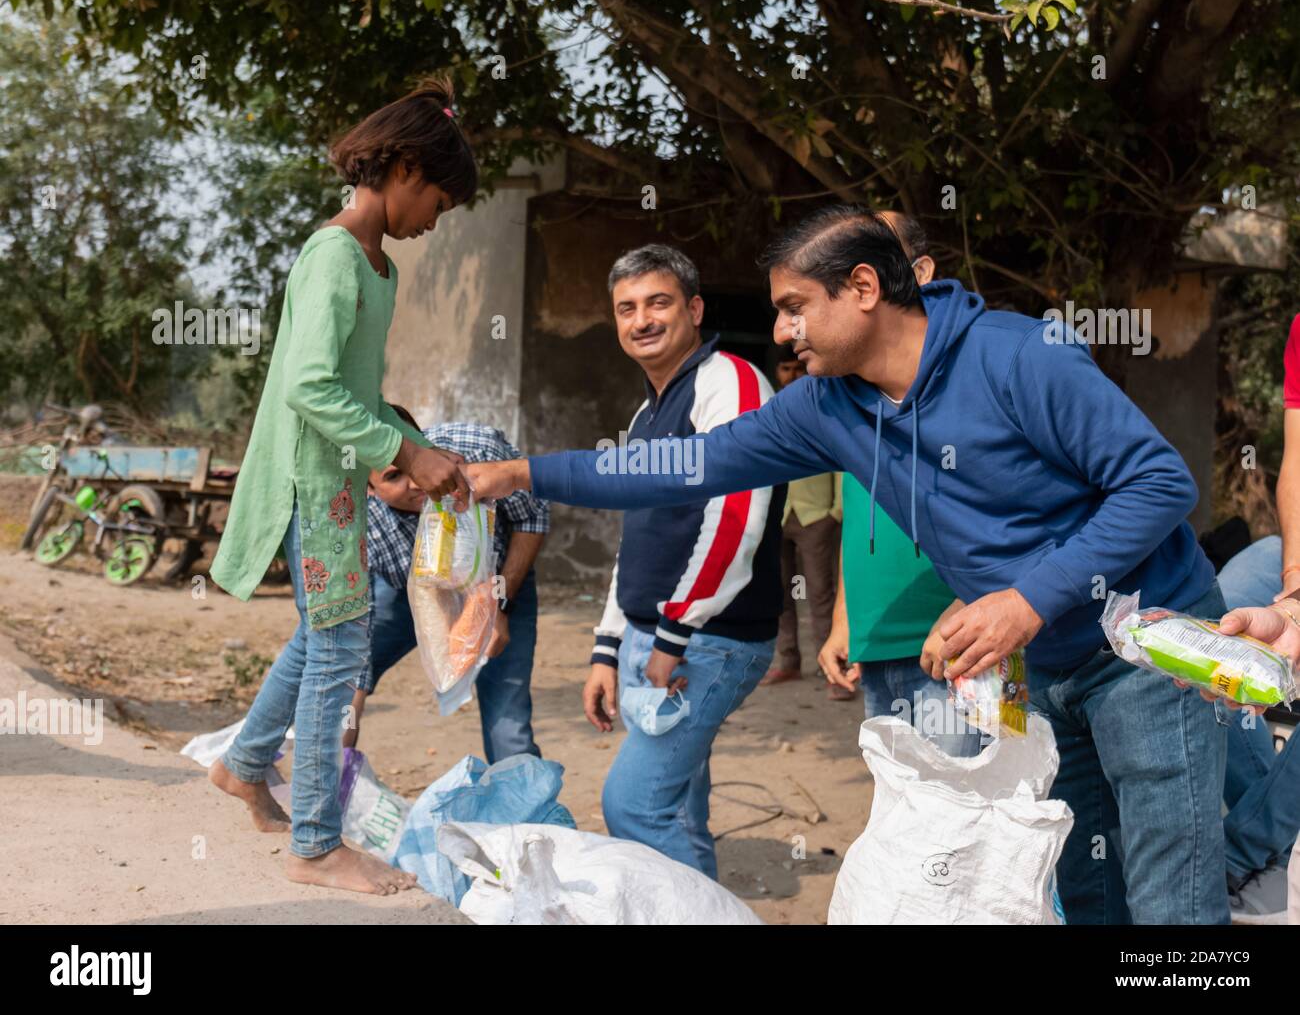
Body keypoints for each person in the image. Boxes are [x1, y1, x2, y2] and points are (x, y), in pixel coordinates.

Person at [465, 206, 1231, 924]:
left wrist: (1025, 599)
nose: (780, 328)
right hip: (1043, 671)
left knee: (1172, 890)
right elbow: (685, 464)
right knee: (1084, 885)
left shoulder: (1017, 355)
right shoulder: (829, 406)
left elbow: (1161, 483)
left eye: (795, 305)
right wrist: (526, 474)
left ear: (863, 287)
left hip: (1145, 646)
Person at [206, 78, 474, 895]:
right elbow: (310, 388)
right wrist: (400, 448)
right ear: (400, 169)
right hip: (308, 484)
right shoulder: (331, 257)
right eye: (435, 199)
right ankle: (317, 842)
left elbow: (354, 390)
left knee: (323, 636)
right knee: (340, 650)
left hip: (340, 481)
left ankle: (244, 764)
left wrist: (420, 451)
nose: (434, 220)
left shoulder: (378, 269)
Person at [584, 244, 783, 879]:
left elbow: (736, 522)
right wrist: (607, 647)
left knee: (634, 808)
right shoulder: (646, 413)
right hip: (658, 638)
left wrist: (673, 634)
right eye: (626, 309)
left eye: (658, 302)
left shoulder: (733, 381)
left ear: (694, 309)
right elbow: (636, 536)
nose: (641, 319)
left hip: (707, 642)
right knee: (679, 813)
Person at [817, 213, 980, 757]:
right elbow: (858, 521)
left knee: (969, 823)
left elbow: (1027, 519)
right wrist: (845, 622)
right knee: (905, 824)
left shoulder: (971, 379)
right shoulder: (850, 397)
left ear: (922, 272)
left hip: (961, 650)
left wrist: (972, 607)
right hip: (877, 646)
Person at [344, 406, 550, 764]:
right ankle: (294, 773)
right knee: (339, 682)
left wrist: (498, 605)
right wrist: (343, 742)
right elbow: (355, 640)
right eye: (394, 476)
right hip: (404, 594)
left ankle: (523, 814)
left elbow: (533, 515)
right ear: (370, 490)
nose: (416, 481)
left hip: (501, 582)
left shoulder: (477, 450)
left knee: (508, 726)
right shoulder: (354, 522)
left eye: (416, 459)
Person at [1206, 310, 1300, 921]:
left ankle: (1243, 850)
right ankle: (1265, 826)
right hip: (1289, 555)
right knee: (1214, 625)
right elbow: (1297, 460)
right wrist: (1295, 590)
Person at [762, 344, 848, 699]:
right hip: (779, 515)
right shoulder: (770, 410)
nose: (791, 375)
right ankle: (789, 662)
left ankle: (834, 670)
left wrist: (836, 512)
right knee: (779, 593)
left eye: (796, 368)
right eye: (784, 369)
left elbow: (844, 461)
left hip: (817, 516)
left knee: (821, 595)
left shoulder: (826, 407)